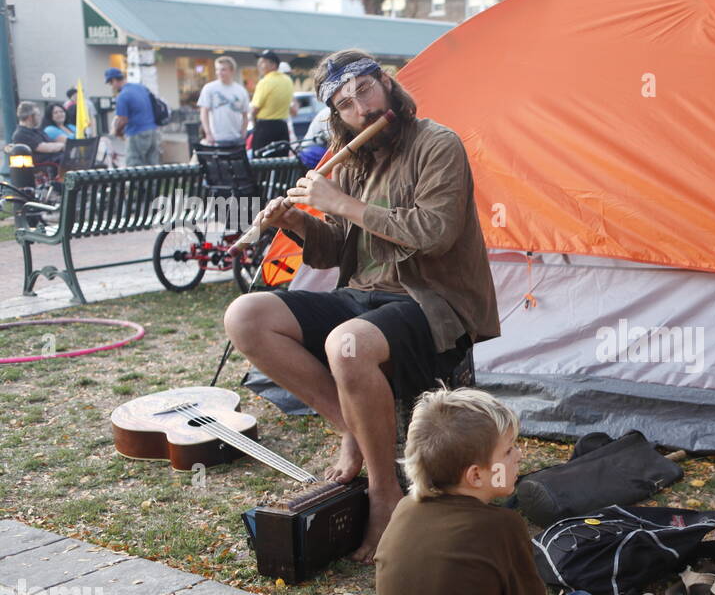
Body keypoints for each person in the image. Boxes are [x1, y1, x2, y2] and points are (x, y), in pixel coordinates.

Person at [223, 48, 501, 564]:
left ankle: (382, 492)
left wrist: (342, 203)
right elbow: (337, 251)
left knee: (345, 344)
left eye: (366, 90)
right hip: (365, 294)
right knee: (247, 315)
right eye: (346, 103)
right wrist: (302, 222)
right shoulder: (351, 156)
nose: (362, 109)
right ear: (336, 113)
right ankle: (351, 428)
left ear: (387, 84)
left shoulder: (437, 144)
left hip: (434, 300)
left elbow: (434, 234)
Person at [374, 387, 603, 595]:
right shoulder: (502, 526)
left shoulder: (404, 508)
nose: (519, 456)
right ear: (476, 475)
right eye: (509, 451)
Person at [106, 67, 160, 166]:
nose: (112, 87)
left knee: (134, 166)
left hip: (136, 133)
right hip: (153, 131)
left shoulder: (122, 96)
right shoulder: (140, 87)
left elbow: (123, 120)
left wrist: (117, 132)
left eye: (110, 83)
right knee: (153, 165)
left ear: (114, 80)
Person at [197, 55, 250, 148]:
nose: (219, 73)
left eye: (223, 70)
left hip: (236, 138)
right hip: (217, 138)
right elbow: (204, 112)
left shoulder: (241, 90)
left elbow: (245, 114)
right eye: (217, 70)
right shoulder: (209, 88)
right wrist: (208, 133)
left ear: (232, 71)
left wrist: (243, 133)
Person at [248, 49, 293, 150]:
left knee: (261, 163)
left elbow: (254, 109)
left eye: (263, 62)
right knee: (282, 162)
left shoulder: (265, 81)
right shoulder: (288, 80)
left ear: (273, 65)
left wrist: (255, 125)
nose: (259, 64)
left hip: (265, 128)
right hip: (282, 127)